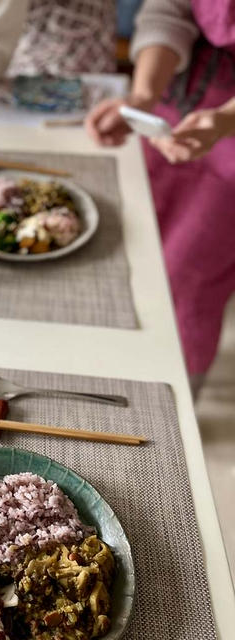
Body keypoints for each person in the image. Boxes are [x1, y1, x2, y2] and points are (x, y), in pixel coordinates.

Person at [85, 0, 235, 395]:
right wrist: (143, 96)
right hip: (175, 109)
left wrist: (226, 119)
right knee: (125, 246)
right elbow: (170, 8)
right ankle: (109, 377)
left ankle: (175, 401)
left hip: (228, 144)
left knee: (185, 278)